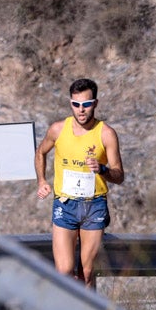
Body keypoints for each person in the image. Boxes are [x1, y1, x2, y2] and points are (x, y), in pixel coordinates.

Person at [35, 78, 124, 288]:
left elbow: (119, 175)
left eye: (86, 104)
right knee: (64, 271)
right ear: (70, 104)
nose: (81, 110)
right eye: (76, 104)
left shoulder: (106, 133)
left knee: (86, 271)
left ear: (95, 103)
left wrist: (102, 169)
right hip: (65, 204)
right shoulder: (58, 129)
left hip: (94, 205)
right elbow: (41, 152)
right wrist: (41, 181)